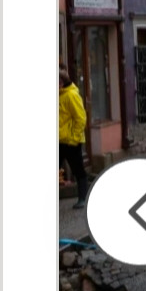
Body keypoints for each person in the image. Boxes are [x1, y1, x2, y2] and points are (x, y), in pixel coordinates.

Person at [59, 65, 90, 209]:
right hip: (59, 140)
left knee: (78, 170)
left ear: (60, 82)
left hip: (71, 141)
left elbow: (81, 118)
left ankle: (83, 198)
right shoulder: (59, 95)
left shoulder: (71, 95)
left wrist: (74, 138)